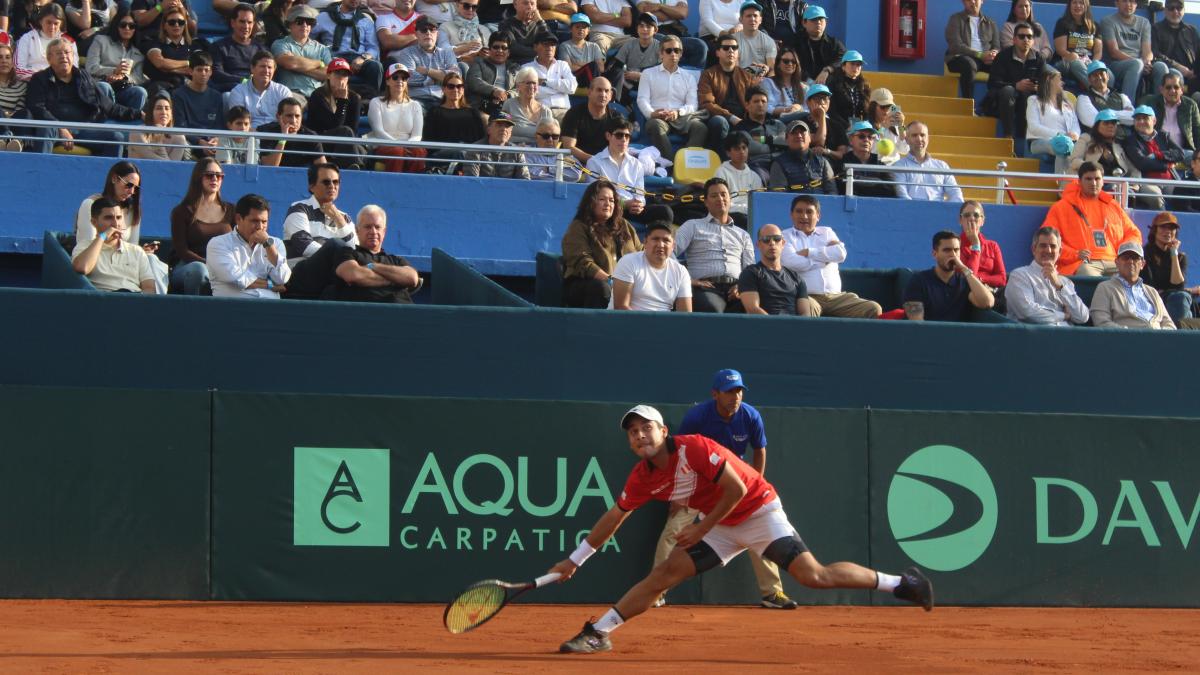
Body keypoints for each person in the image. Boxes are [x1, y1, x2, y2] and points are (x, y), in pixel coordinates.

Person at [551, 403, 933, 654]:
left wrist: (701, 530)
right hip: (721, 523)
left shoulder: (695, 448)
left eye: (645, 428)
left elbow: (734, 489)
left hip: (757, 510)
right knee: (663, 574)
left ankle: (901, 584)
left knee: (814, 576)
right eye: (632, 432)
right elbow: (615, 517)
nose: (639, 436)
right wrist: (576, 560)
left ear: (663, 430)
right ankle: (599, 632)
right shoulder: (642, 478)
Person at [651, 369, 799, 610]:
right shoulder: (697, 417)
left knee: (761, 532)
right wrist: (679, 496)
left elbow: (759, 450)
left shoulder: (750, 416)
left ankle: (772, 593)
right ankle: (655, 591)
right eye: (729, 391)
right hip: (699, 487)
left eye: (739, 391)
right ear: (715, 394)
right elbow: (677, 454)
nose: (735, 396)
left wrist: (756, 483)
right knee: (673, 532)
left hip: (736, 487)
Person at [26, 38, 139, 156]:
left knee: (116, 137)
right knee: (46, 128)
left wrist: (139, 113)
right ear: (49, 59)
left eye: (67, 52)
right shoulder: (39, 79)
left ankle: (109, 174)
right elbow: (36, 108)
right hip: (54, 128)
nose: (63, 56)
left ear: (73, 56)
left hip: (83, 129)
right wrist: (60, 127)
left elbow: (108, 106)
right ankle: (39, 172)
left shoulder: (83, 76)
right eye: (59, 53)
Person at [780, 194, 880, 318]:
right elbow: (791, 262)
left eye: (809, 212)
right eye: (799, 211)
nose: (804, 216)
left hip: (837, 298)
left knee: (873, 308)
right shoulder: (785, 236)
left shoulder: (826, 232)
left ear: (818, 216)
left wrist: (809, 252)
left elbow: (840, 254)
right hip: (806, 296)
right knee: (807, 309)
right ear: (791, 215)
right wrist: (825, 259)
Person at [1040, 160, 1142, 276]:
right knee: (1090, 276)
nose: (1093, 183)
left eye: (1097, 179)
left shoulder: (1113, 206)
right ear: (1079, 181)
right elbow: (1047, 239)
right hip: (1081, 263)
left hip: (1114, 261)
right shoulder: (1061, 207)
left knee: (1131, 273)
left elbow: (1133, 233)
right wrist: (1075, 254)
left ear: (1103, 182)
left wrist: (1125, 252)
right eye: (1088, 179)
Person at [673, 177, 754, 314]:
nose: (720, 199)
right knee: (713, 310)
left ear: (730, 199)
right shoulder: (692, 226)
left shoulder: (743, 234)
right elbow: (668, 252)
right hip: (705, 287)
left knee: (755, 307)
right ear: (706, 202)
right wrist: (687, 279)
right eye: (714, 195)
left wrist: (741, 286)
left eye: (723, 194)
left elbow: (750, 268)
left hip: (735, 288)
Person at [560, 178, 642, 308]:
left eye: (611, 200)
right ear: (590, 202)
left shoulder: (624, 225)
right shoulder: (578, 227)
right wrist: (612, 281)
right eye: (602, 199)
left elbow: (641, 252)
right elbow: (583, 263)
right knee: (601, 288)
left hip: (623, 285)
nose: (608, 204)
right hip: (587, 285)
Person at [1069, 108, 1164, 211]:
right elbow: (1074, 161)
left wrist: (1135, 184)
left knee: (1155, 195)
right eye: (1106, 123)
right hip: (1096, 182)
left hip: (1123, 182)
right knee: (1115, 191)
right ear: (1097, 125)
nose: (1111, 126)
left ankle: (1163, 224)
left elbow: (1133, 168)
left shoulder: (1120, 143)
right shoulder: (1086, 138)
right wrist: (1093, 168)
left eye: (1114, 123)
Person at [169, 158, 235, 294]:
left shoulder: (231, 210)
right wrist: (210, 264)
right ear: (198, 177)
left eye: (219, 176)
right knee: (198, 270)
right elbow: (182, 250)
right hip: (188, 266)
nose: (215, 179)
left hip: (225, 265)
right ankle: (193, 311)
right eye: (210, 175)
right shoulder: (182, 211)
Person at [207, 193, 292, 299]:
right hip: (233, 308)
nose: (260, 227)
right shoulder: (219, 244)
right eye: (255, 221)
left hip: (270, 309)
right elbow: (235, 279)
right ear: (238, 219)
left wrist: (268, 245)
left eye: (264, 222)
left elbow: (282, 278)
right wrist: (271, 285)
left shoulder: (275, 243)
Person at [333, 204, 422, 303]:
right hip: (371, 314)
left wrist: (373, 266)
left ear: (384, 232)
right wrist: (396, 280)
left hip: (406, 312)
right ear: (357, 230)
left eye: (377, 227)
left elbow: (412, 278)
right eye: (368, 227)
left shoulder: (397, 260)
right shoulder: (347, 254)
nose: (373, 231)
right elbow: (354, 275)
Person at [903, 230, 996, 322]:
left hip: (959, 335)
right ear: (935, 254)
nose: (953, 255)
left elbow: (987, 302)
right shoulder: (919, 281)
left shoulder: (965, 282)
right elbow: (917, 323)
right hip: (930, 335)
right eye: (947, 250)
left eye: (956, 250)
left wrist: (965, 269)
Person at [636, 36, 704, 160]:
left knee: (700, 128)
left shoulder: (689, 77)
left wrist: (678, 112)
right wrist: (652, 113)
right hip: (659, 117)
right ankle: (671, 163)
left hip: (681, 118)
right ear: (661, 54)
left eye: (677, 50)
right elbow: (642, 99)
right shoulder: (648, 73)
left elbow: (693, 104)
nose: (673, 54)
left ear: (681, 54)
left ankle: (685, 162)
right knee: (654, 125)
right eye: (669, 51)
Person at [1005, 226, 1090, 326]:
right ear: (1033, 249)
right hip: (1034, 338)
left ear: (1060, 252)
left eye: (1053, 246)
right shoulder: (1020, 275)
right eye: (1043, 246)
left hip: (1066, 338)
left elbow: (1082, 317)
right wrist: (1064, 316)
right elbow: (1027, 312)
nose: (1048, 250)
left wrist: (1059, 286)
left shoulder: (1065, 282)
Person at [71, 198, 158, 293]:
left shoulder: (136, 251)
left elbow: (150, 288)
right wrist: (102, 237)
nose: (116, 224)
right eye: (108, 218)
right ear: (94, 222)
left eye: (119, 217)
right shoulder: (84, 246)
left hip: (133, 300)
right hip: (103, 301)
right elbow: (82, 268)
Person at [1090, 241, 1175, 329]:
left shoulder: (1152, 291)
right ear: (1117, 262)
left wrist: (1161, 335)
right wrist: (1128, 334)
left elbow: (1169, 324)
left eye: (1135, 258)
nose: (1130, 261)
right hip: (1126, 339)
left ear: (1142, 264)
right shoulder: (1105, 288)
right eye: (1125, 258)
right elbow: (1101, 323)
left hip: (1158, 339)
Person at [609, 220, 692, 311]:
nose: (660, 245)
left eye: (666, 240)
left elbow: (685, 314)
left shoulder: (681, 271)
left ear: (673, 246)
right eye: (655, 239)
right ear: (645, 242)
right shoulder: (628, 262)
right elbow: (621, 308)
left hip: (663, 324)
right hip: (627, 322)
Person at [983, 21, 1045, 140]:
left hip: (1027, 98)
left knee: (1030, 96)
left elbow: (1045, 83)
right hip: (1003, 100)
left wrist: (1038, 87)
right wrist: (1016, 85)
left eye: (1029, 37)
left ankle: (1023, 138)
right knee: (1008, 91)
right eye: (1021, 36)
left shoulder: (1039, 58)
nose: (1025, 39)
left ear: (1033, 41)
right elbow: (993, 83)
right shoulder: (1003, 56)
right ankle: (1008, 135)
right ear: (1014, 39)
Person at [699, 33, 756, 157]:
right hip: (720, 118)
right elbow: (706, 103)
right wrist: (730, 117)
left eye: (734, 48)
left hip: (743, 119)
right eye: (726, 48)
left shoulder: (747, 76)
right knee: (719, 122)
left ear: (738, 53)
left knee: (761, 130)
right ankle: (723, 160)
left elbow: (755, 101)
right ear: (718, 52)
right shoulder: (708, 74)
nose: (731, 51)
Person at [1100, 0, 1169, 104]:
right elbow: (1114, 51)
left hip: (1140, 63)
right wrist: (1140, 63)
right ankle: (1127, 106)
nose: (1128, 5)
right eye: (1124, 1)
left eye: (1132, 1)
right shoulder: (1108, 21)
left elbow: (1148, 51)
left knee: (1161, 67)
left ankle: (1160, 108)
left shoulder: (1144, 22)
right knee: (1136, 64)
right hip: (1117, 64)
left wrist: (1147, 62)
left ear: (1136, 4)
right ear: (1117, 3)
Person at [312, 0, 384, 97]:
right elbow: (308, 39)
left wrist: (362, 59)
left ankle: (370, 100)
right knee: (333, 66)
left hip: (358, 58)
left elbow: (373, 48)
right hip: (333, 57)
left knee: (375, 67)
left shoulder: (365, 20)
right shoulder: (324, 17)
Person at [306, 58, 368, 170]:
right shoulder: (318, 95)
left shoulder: (354, 98)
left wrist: (343, 101)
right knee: (345, 131)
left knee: (361, 149)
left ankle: (355, 167)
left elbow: (353, 129)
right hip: (319, 142)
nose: (341, 78)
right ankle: (355, 169)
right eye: (337, 74)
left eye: (345, 75)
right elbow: (334, 125)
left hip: (344, 142)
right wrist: (343, 102)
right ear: (328, 75)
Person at [739, 223, 813, 316]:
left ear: (783, 243)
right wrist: (777, 326)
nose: (772, 243)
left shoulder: (797, 278)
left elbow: (805, 313)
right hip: (766, 327)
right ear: (758, 245)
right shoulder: (750, 273)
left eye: (777, 239)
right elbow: (753, 309)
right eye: (766, 239)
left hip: (794, 328)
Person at [85, 8, 149, 113]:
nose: (127, 28)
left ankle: (132, 124)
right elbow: (91, 67)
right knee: (104, 87)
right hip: (101, 85)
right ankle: (103, 121)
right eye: (123, 25)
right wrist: (114, 71)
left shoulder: (138, 54)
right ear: (116, 26)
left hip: (124, 89)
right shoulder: (100, 41)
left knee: (140, 92)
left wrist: (123, 77)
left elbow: (139, 78)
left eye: (131, 26)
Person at [1140, 210, 1198, 325]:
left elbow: (1178, 285)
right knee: (1181, 298)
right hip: (1153, 300)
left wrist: (1174, 254)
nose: (1167, 232)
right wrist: (1191, 290)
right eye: (1163, 227)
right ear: (1154, 230)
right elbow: (1149, 285)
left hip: (1174, 300)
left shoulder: (1179, 256)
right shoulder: (1145, 254)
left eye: (1171, 228)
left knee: (1181, 299)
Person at [1123, 105, 1184, 208]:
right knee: (1155, 197)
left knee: (1184, 194)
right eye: (1138, 119)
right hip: (1146, 181)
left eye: (1145, 118)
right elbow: (1142, 163)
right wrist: (1167, 165)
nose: (1141, 121)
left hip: (1170, 180)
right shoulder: (1130, 140)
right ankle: (1165, 223)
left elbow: (1180, 154)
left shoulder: (1164, 136)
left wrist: (1158, 155)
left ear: (1154, 121)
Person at [369, 62, 426, 173]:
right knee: (397, 151)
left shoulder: (415, 105)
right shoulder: (376, 102)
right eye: (395, 77)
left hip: (408, 146)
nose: (400, 81)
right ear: (387, 81)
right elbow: (378, 131)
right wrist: (400, 146)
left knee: (418, 151)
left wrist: (406, 146)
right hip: (384, 145)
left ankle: (413, 186)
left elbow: (417, 135)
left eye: (404, 78)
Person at [272, 5, 332, 102]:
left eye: (309, 22)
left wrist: (298, 66)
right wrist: (319, 63)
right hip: (291, 94)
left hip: (317, 95)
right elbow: (290, 63)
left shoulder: (322, 49)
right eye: (299, 22)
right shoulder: (280, 44)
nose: (305, 25)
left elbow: (329, 74)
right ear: (290, 25)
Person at [1026, 68, 1080, 174]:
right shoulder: (1034, 100)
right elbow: (1033, 126)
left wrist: (1075, 135)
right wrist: (1061, 135)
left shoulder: (1067, 104)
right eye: (1059, 79)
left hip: (1068, 141)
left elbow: (1075, 124)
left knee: (1080, 146)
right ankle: (1063, 188)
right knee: (1062, 145)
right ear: (1049, 80)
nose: (1062, 82)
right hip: (1039, 141)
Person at [893, 121, 963, 202]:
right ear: (907, 140)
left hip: (938, 211)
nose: (919, 139)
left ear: (928, 139)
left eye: (922, 135)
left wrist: (949, 211)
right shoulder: (898, 166)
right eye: (914, 135)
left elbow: (955, 193)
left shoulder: (942, 166)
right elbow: (902, 196)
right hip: (912, 212)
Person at [397, 16, 457, 111]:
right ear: (416, 34)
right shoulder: (407, 53)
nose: (428, 33)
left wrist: (427, 71)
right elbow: (408, 78)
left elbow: (455, 78)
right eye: (424, 30)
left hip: (443, 99)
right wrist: (439, 77)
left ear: (437, 34)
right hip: (417, 99)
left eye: (432, 30)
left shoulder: (447, 53)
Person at [945, 0, 1000, 100]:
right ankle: (967, 106)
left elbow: (996, 46)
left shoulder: (991, 23)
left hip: (985, 59)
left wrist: (993, 54)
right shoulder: (955, 19)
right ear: (963, 2)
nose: (973, 2)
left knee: (1000, 67)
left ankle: (991, 105)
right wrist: (980, 55)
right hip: (960, 58)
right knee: (970, 65)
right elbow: (955, 46)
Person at [424, 69, 486, 159]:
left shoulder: (473, 112)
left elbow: (480, 139)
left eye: (459, 86)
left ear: (463, 89)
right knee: (460, 152)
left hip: (468, 154)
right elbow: (428, 139)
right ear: (443, 89)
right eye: (451, 86)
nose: (455, 89)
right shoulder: (434, 112)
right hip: (442, 154)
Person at [172, 52, 225, 153]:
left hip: (211, 144)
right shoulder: (178, 95)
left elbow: (219, 125)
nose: (203, 73)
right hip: (190, 143)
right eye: (199, 70)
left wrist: (215, 140)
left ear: (211, 72)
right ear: (190, 71)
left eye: (206, 70)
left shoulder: (217, 96)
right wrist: (200, 142)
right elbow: (180, 127)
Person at [226, 51, 293, 129]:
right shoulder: (238, 91)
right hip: (249, 137)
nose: (266, 71)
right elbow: (238, 124)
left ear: (274, 70)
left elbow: (289, 120)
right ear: (252, 68)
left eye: (270, 67)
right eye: (262, 66)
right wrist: (257, 135)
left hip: (276, 135)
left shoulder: (283, 91)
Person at [561, 76, 620, 164]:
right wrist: (595, 161)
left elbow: (620, 146)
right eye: (599, 90)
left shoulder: (616, 118)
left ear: (611, 96)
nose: (603, 94)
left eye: (606, 91)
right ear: (589, 92)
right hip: (577, 165)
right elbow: (569, 147)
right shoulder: (574, 113)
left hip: (606, 165)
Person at [1141, 71, 1200, 159]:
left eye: (1176, 87)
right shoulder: (1150, 102)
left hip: (1183, 153)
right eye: (1168, 87)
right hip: (1158, 151)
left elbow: (1197, 132)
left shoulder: (1190, 105)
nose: (1172, 91)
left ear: (1182, 90)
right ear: (1161, 89)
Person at [767, 118, 835, 194]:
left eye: (802, 132)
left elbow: (832, 191)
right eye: (794, 133)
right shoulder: (779, 164)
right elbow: (778, 196)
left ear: (810, 138)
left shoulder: (823, 162)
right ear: (786, 139)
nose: (799, 135)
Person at [258, 97, 329, 167]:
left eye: (297, 116)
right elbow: (268, 167)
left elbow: (323, 169)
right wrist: (283, 139)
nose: (293, 121)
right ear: (278, 116)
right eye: (289, 116)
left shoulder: (311, 137)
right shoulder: (267, 132)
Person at [209, 3, 263, 93]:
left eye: (249, 22)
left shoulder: (260, 49)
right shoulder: (218, 47)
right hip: (229, 91)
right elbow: (216, 74)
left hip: (256, 91)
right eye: (242, 21)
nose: (246, 26)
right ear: (233, 23)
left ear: (253, 24)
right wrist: (242, 80)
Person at [838, 120, 899, 199]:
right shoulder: (842, 162)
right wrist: (879, 182)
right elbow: (842, 186)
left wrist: (858, 182)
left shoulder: (880, 165)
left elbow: (892, 189)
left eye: (870, 137)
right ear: (850, 140)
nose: (866, 139)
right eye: (861, 136)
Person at [732, 86, 783, 180]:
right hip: (758, 165)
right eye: (756, 101)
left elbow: (788, 141)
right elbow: (752, 148)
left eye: (763, 101)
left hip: (782, 163)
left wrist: (768, 140)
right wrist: (777, 143)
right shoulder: (741, 128)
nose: (760, 104)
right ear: (747, 105)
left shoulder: (777, 124)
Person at [15, 4, 76, 81]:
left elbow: (74, 68)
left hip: (61, 84)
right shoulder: (27, 38)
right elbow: (18, 70)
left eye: (56, 23)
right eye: (48, 22)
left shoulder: (69, 42)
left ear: (61, 24)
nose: (52, 27)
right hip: (33, 82)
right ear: (40, 21)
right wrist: (41, 76)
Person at [1152, 0, 1200, 98]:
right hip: (1170, 74)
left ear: (1184, 10)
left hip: (1191, 77)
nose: (1175, 11)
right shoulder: (1155, 29)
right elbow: (1154, 53)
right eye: (1171, 8)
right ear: (1165, 10)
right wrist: (1178, 66)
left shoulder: (1192, 30)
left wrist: (1194, 72)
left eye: (1179, 8)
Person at [142, 6, 195, 94]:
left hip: (185, 89)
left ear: (185, 25)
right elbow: (160, 63)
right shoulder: (154, 43)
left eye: (181, 22)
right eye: (172, 22)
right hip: (160, 89)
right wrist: (188, 62)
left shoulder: (193, 45)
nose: (176, 25)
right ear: (164, 25)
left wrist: (169, 68)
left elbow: (197, 69)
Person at [462, 111, 531, 178]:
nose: (503, 129)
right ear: (488, 129)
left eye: (507, 126)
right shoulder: (475, 150)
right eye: (499, 125)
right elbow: (472, 181)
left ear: (511, 132)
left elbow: (525, 181)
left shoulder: (517, 152)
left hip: (508, 189)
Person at [957, 200, 1006, 294]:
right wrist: (976, 244)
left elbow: (1002, 278)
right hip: (966, 294)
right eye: (967, 215)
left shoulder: (992, 245)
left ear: (982, 220)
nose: (971, 218)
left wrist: (980, 279)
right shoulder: (955, 245)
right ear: (960, 220)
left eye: (976, 215)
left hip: (991, 292)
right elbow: (968, 279)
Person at [612, 13, 661, 106]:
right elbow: (617, 67)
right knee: (618, 77)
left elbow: (662, 73)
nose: (644, 29)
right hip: (629, 80)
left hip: (651, 83)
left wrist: (641, 76)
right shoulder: (629, 44)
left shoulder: (660, 47)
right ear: (637, 29)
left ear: (655, 30)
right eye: (641, 26)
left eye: (649, 26)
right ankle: (617, 108)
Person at [1052, 0, 1103, 90]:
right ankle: (1097, 92)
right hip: (1066, 62)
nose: (1077, 5)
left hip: (1088, 63)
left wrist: (1094, 65)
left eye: (1081, 3)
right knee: (1076, 63)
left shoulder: (1095, 26)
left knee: (1109, 75)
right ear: (1069, 5)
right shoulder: (1062, 23)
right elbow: (1061, 50)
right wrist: (1072, 56)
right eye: (1074, 2)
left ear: (1086, 6)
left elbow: (1098, 52)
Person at [526, 31, 576, 121]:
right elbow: (530, 92)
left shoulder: (562, 65)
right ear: (535, 47)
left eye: (552, 45)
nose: (549, 48)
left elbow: (572, 87)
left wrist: (544, 82)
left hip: (564, 111)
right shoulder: (527, 68)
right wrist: (560, 89)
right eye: (545, 44)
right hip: (539, 112)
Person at [1075, 61, 1134, 134]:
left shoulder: (1122, 97)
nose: (1099, 77)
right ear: (1089, 80)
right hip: (1098, 142)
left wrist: (1107, 113)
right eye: (1095, 75)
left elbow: (1133, 118)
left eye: (1101, 74)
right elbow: (1093, 121)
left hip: (1125, 140)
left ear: (1108, 76)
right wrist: (1122, 116)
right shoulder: (1083, 98)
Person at [466, 32, 517, 115]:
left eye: (504, 48)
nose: (500, 50)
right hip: (482, 106)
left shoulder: (514, 68)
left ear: (508, 53)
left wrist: (507, 95)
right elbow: (474, 81)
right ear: (489, 50)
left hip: (507, 106)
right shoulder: (479, 62)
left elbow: (520, 88)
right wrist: (494, 91)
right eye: (496, 47)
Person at [128, 90, 188, 160]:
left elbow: (172, 168)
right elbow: (151, 160)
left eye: (167, 108)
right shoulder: (137, 132)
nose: (164, 112)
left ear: (171, 114)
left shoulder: (179, 138)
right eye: (159, 108)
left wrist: (158, 139)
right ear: (151, 112)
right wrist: (158, 140)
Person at [503, 66, 553, 146]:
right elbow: (503, 129)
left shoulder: (546, 111)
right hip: (513, 149)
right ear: (518, 86)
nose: (532, 86)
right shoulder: (509, 105)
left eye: (534, 83)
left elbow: (549, 138)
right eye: (528, 83)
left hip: (537, 152)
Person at [795, 4, 844, 84]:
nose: (818, 22)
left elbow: (843, 59)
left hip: (827, 87)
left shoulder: (834, 44)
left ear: (826, 22)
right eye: (814, 19)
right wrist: (808, 80)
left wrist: (828, 69)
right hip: (800, 85)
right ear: (804, 23)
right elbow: (791, 63)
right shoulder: (795, 42)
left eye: (821, 19)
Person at [802, 83, 847, 166]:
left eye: (825, 99)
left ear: (829, 102)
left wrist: (827, 151)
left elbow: (842, 154)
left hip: (831, 167)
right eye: (817, 99)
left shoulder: (837, 126)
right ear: (808, 102)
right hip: (807, 165)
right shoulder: (802, 123)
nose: (822, 102)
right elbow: (819, 142)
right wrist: (822, 116)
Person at [824, 49, 868, 129]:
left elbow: (866, 111)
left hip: (857, 129)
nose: (855, 67)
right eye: (852, 64)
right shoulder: (833, 83)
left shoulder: (864, 86)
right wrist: (846, 126)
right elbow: (831, 111)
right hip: (838, 127)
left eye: (858, 65)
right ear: (843, 66)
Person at [496, 0, 549, 64]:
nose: (530, 7)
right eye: (525, 3)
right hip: (517, 64)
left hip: (539, 63)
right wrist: (540, 51)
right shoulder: (506, 24)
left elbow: (549, 41)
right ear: (515, 5)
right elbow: (513, 47)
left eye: (532, 4)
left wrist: (540, 21)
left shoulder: (539, 24)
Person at [559, 13, 604, 87]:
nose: (581, 30)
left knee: (617, 72)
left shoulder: (594, 46)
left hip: (593, 75)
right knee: (592, 66)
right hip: (575, 78)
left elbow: (601, 68)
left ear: (588, 30)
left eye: (584, 27)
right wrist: (588, 66)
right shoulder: (564, 46)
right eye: (577, 27)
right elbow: (568, 68)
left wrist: (580, 65)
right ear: (571, 29)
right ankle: (595, 89)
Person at [438, 0, 489, 65]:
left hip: (480, 67)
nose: (470, 10)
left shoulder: (483, 29)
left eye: (474, 7)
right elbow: (442, 51)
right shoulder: (445, 27)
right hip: (456, 66)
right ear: (457, 5)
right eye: (466, 6)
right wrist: (462, 49)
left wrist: (481, 53)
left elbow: (491, 52)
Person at [762, 47, 804, 123]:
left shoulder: (802, 87)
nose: (790, 64)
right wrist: (787, 110)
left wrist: (799, 107)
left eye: (793, 61)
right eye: (786, 61)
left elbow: (809, 109)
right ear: (778, 64)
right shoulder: (768, 82)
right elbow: (767, 107)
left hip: (800, 122)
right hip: (778, 121)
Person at [865, 88, 906, 165]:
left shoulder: (894, 125)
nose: (887, 111)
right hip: (874, 167)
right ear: (873, 107)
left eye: (889, 107)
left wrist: (902, 125)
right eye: (883, 107)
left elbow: (904, 150)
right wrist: (882, 128)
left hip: (894, 167)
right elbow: (870, 153)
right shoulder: (865, 125)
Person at [733, 2, 775, 76]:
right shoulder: (733, 40)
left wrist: (767, 70)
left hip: (762, 81)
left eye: (755, 16)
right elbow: (734, 68)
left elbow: (772, 70)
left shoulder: (769, 41)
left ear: (760, 20)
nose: (752, 19)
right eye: (748, 16)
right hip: (739, 80)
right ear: (741, 19)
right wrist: (750, 71)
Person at [0, 43, 28, 152]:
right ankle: (4, 137)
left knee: (26, 113)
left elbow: (20, 110)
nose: (4, 61)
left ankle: (17, 142)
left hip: (15, 123)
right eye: (0, 57)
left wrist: (7, 114)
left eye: (7, 57)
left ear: (12, 62)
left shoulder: (22, 85)